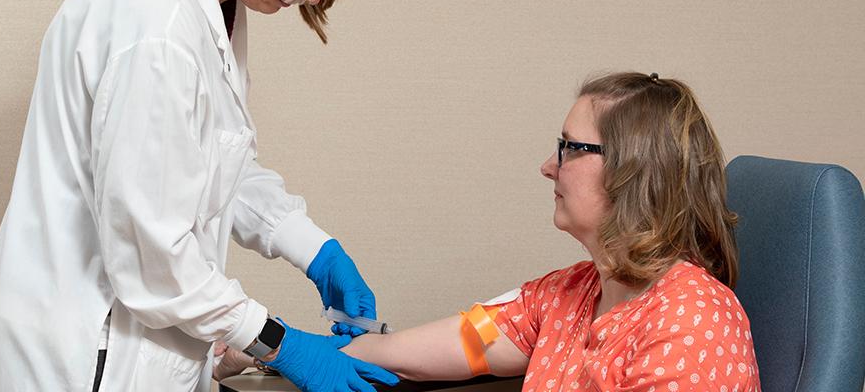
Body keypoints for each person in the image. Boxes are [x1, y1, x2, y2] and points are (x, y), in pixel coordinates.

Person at [0, 0, 398, 391]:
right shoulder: (157, 33)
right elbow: (152, 254)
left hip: (122, 336)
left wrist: (313, 248)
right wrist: (277, 341)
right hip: (84, 350)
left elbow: (205, 154)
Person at [217, 72, 762, 391]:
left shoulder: (694, 322)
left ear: (634, 169)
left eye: (570, 148)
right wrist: (281, 345)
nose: (548, 166)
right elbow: (466, 341)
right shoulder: (571, 294)